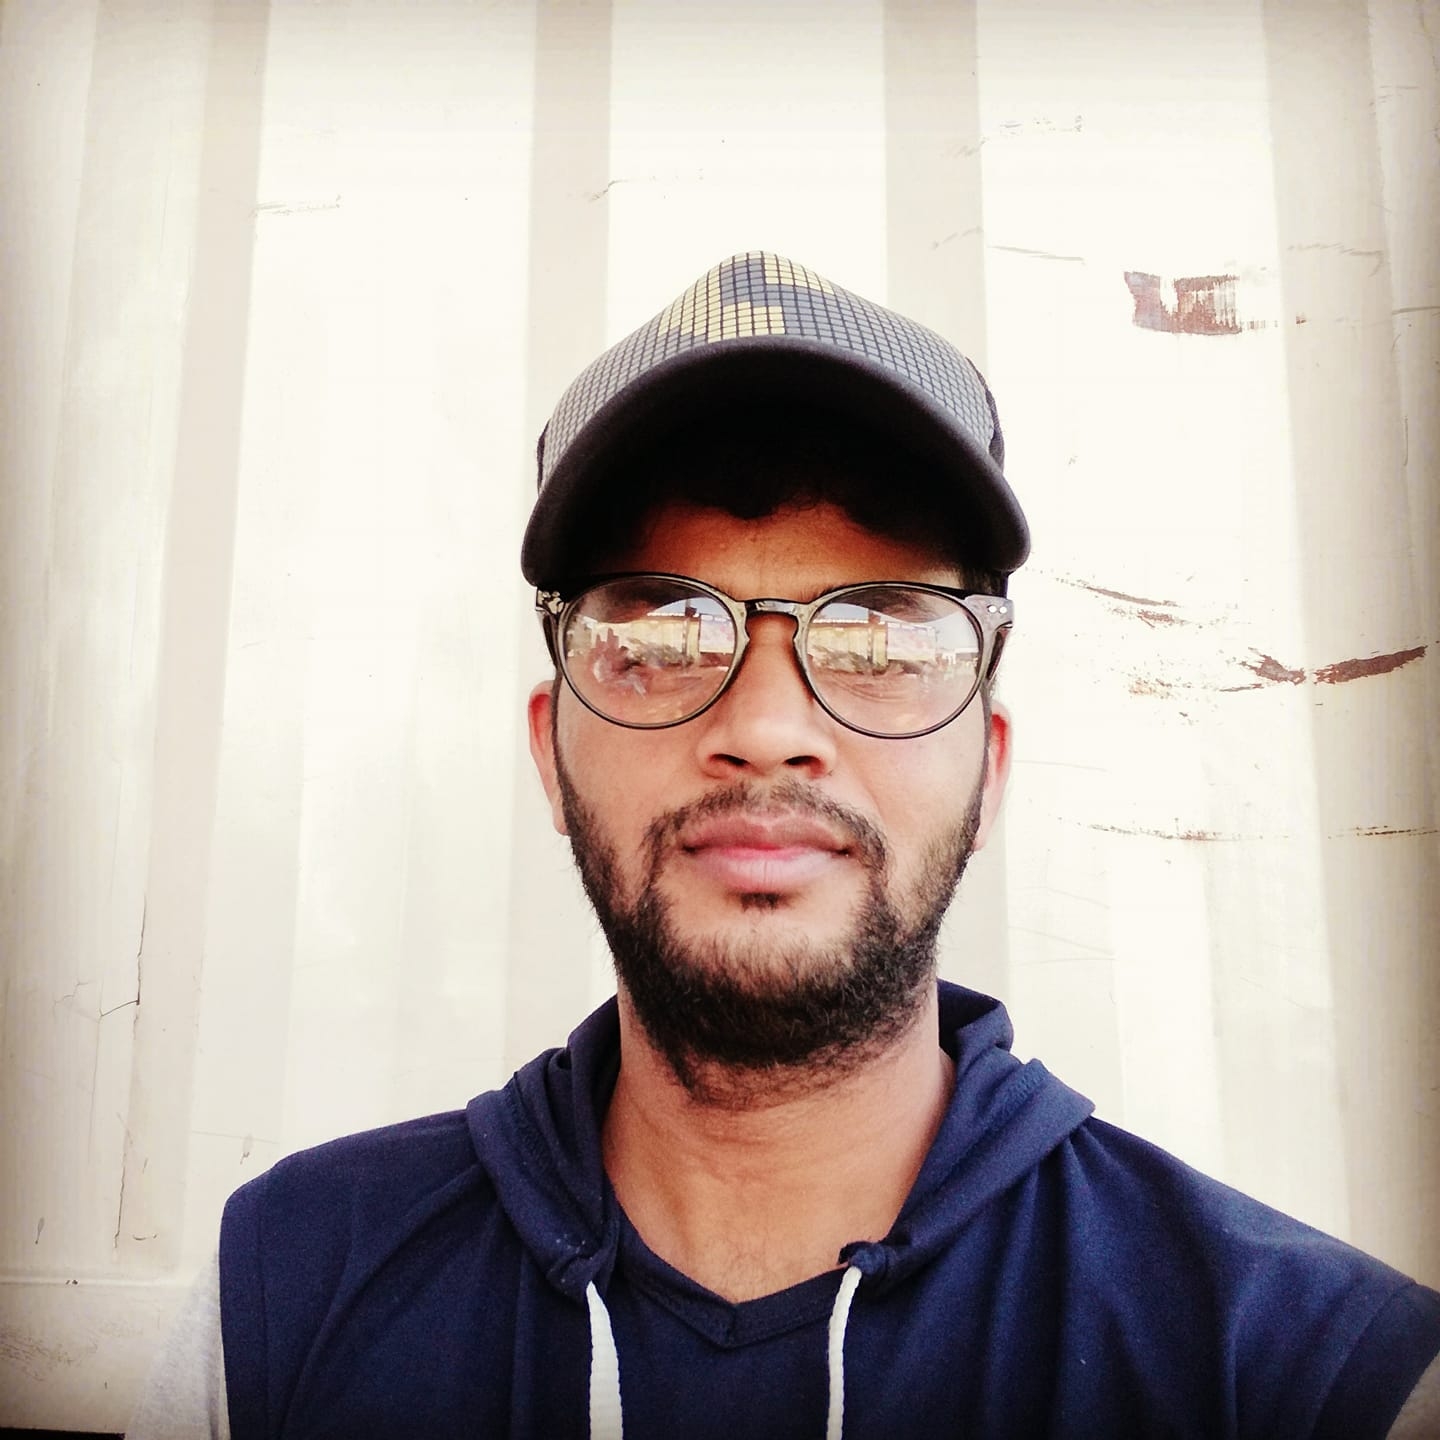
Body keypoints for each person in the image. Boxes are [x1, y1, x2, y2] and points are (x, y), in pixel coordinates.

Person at [129, 252, 1440, 1439]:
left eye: (881, 636)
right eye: (660, 633)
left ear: (988, 766)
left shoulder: (1308, 1372)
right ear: (550, 751)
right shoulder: (286, 1297)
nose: (764, 729)